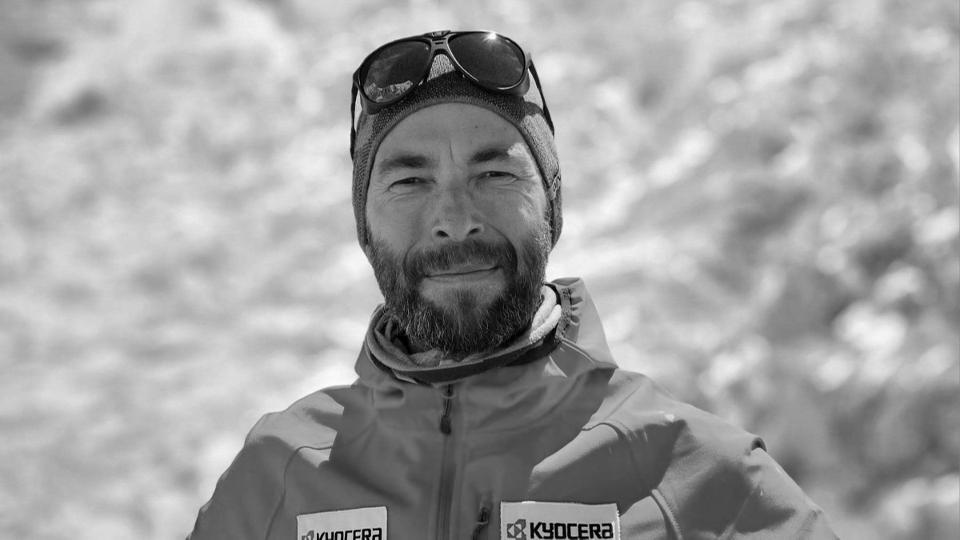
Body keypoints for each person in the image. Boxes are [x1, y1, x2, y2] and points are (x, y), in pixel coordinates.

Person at [188, 30, 838, 540]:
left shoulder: (701, 476)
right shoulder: (276, 475)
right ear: (365, 226)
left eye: (495, 175)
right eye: (409, 181)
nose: (455, 219)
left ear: (550, 208)